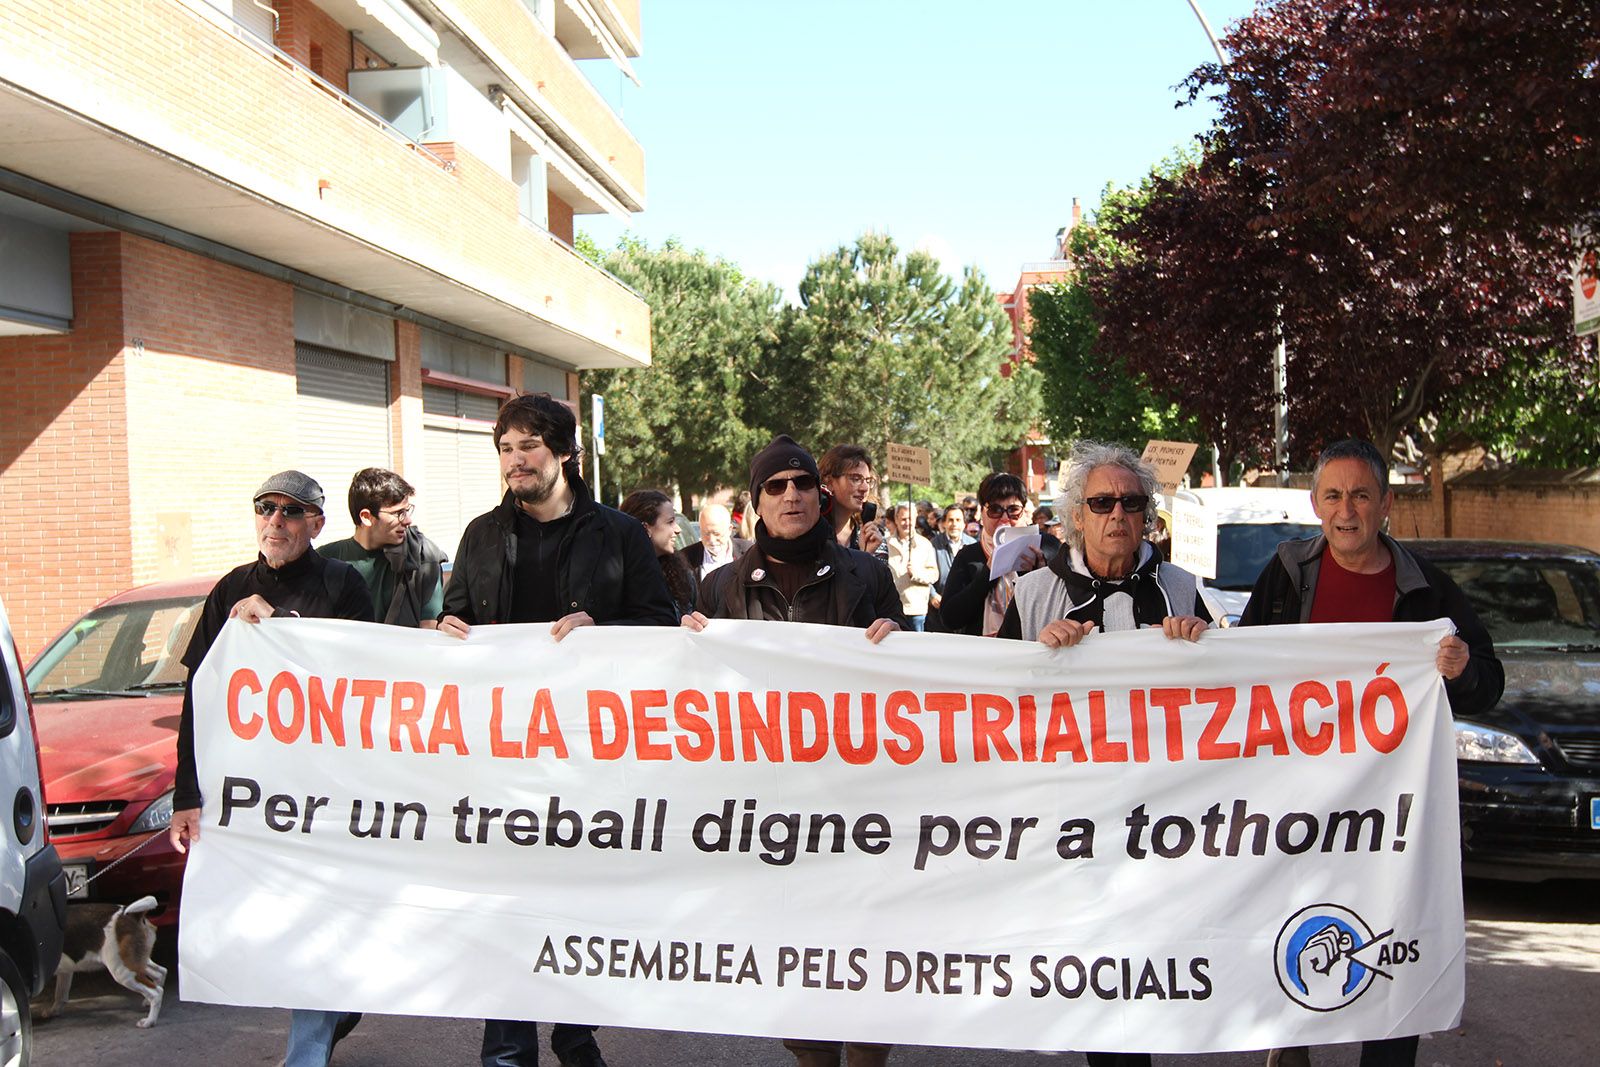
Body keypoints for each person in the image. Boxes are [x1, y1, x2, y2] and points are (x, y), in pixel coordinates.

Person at [1241, 438, 1503, 1067]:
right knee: (1291, 945)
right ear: (1313, 504)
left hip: (1390, 818)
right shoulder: (1285, 575)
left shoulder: (1427, 591)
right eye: (1333, 495)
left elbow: (1487, 685)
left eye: (1361, 495)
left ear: (1386, 503)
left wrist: (1462, 669)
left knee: (1387, 955)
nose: (1346, 510)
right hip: (1295, 808)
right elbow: (1241, 670)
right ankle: (1289, 1048)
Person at [438, 392, 676, 1067]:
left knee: (570, 904)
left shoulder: (618, 535)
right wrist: (445, 629)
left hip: (589, 757)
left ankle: (573, 1030)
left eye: (529, 445)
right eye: (507, 447)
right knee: (506, 903)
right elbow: (456, 618)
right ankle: (509, 1049)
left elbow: (660, 624)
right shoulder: (482, 535)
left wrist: (603, 633)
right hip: (504, 757)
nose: (516, 459)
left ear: (565, 451)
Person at [683, 435, 903, 1067]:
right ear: (756, 502)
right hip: (774, 806)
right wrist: (688, 649)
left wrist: (900, 641)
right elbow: (697, 699)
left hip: (860, 799)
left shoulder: (869, 574)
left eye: (802, 483)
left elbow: (913, 686)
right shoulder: (720, 589)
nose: (792, 495)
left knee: (866, 949)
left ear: (821, 491)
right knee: (797, 952)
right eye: (775, 486)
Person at [167, 471, 373, 1067]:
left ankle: (309, 1049)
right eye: (266, 508)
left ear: (317, 524)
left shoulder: (344, 585)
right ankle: (336, 1004)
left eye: (291, 510)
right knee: (284, 924)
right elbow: (198, 696)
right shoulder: (231, 587)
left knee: (323, 922)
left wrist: (282, 630)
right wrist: (188, 792)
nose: (276, 520)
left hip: (327, 793)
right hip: (255, 798)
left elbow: (369, 682)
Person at [998, 442, 1211, 649]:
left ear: (1144, 515)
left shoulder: (1180, 585)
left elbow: (1220, 671)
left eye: (1131, 502)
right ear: (1078, 517)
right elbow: (1002, 676)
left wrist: (1202, 641)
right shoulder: (1032, 593)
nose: (1118, 514)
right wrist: (1040, 651)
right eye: (1102, 503)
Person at [319, 468, 447, 628]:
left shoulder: (422, 556)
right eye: (397, 513)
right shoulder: (324, 560)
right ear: (366, 517)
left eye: (407, 511)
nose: (407, 520)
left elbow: (429, 627)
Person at [937, 473, 1055, 636]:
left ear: (1024, 511)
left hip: (1034, 652)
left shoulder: (1048, 547)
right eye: (995, 510)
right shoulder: (969, 556)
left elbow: (1060, 606)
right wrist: (989, 572)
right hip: (985, 656)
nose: (1005, 518)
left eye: (1013, 510)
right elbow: (950, 619)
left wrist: (1037, 575)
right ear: (982, 513)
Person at [621, 489, 698, 617]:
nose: (678, 530)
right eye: (670, 522)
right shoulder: (614, 576)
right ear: (645, 528)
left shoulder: (683, 576)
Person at [820, 444, 885, 555]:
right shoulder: (810, 535)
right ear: (830, 482)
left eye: (868, 481)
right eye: (855, 479)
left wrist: (867, 555)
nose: (865, 488)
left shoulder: (874, 539)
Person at [885, 503, 938, 631]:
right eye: (903, 519)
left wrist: (916, 573)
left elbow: (934, 575)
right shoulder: (886, 543)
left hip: (916, 609)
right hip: (891, 607)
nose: (907, 523)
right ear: (896, 519)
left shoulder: (925, 544)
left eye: (910, 519)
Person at [927, 505, 973, 631]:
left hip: (965, 611)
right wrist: (932, 594)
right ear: (945, 523)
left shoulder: (972, 545)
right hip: (938, 610)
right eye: (951, 520)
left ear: (964, 524)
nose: (954, 524)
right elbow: (925, 571)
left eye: (958, 520)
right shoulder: (933, 545)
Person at [679, 502, 750, 578]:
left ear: (729, 529)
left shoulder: (748, 551)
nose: (712, 540)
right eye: (706, 533)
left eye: (716, 534)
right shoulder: (686, 558)